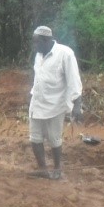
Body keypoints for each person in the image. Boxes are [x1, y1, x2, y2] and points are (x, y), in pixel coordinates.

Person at [26, 26, 83, 180]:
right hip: (37, 102)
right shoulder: (39, 54)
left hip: (55, 104)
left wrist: (77, 105)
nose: (34, 46)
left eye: (36, 42)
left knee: (54, 138)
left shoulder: (65, 54)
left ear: (46, 40)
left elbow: (74, 80)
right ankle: (43, 169)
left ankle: (57, 168)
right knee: (35, 137)